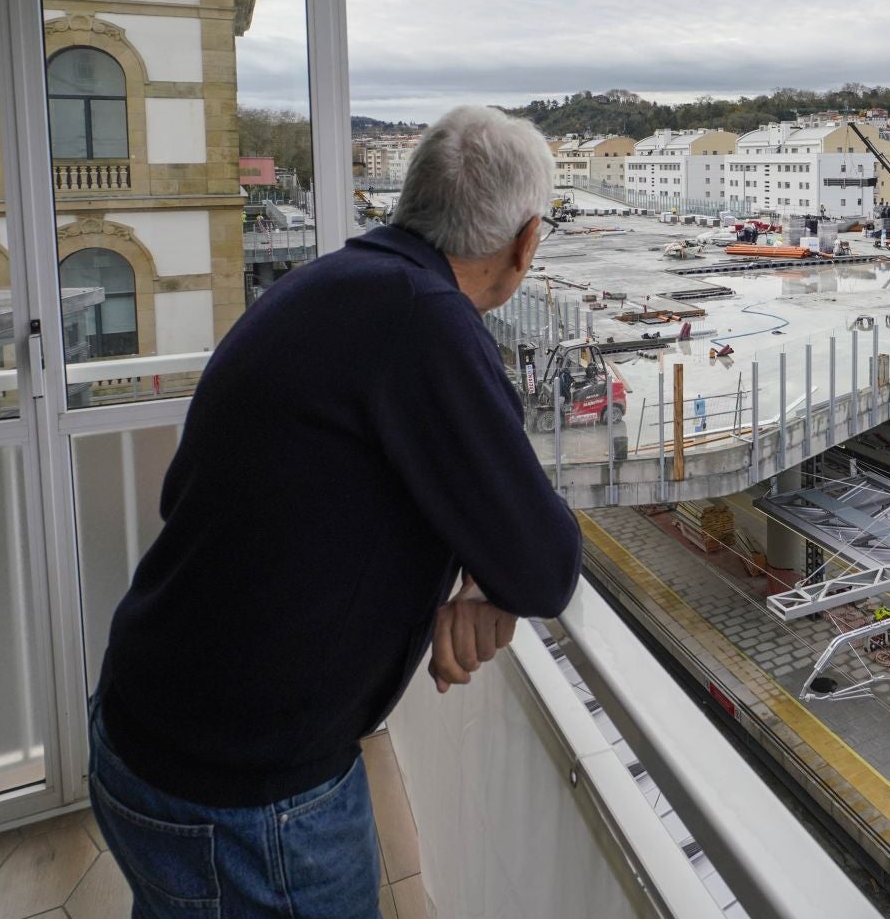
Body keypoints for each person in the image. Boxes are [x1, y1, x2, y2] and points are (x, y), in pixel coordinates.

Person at [89, 106, 580, 918]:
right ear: (525, 243)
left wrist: (468, 574)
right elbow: (544, 562)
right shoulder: (426, 321)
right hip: (242, 801)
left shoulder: (335, 283)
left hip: (147, 729)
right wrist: (489, 577)